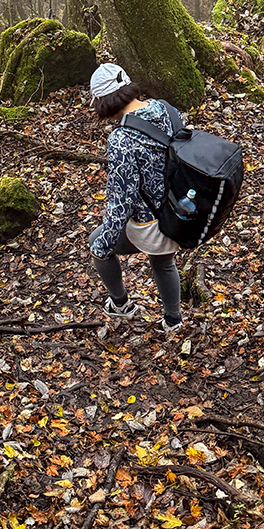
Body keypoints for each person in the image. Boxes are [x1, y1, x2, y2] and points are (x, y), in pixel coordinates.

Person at [87, 62, 183, 335]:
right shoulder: (166, 109)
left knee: (97, 244)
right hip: (178, 211)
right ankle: (173, 321)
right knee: (163, 262)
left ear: (104, 103)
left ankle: (120, 304)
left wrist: (106, 241)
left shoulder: (121, 140)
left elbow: (122, 199)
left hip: (150, 224)